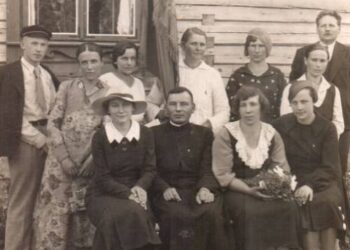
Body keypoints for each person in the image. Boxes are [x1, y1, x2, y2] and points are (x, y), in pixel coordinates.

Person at [32, 42, 106, 250]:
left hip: (89, 166)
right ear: (78, 64)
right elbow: (53, 124)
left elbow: (106, 132)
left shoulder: (108, 93)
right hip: (60, 165)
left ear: (102, 63)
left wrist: (93, 160)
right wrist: (64, 158)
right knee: (55, 214)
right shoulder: (67, 88)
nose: (89, 67)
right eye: (84, 62)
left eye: (94, 61)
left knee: (84, 216)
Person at [212, 86, 300, 250]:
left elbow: (281, 167)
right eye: (243, 105)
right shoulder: (226, 133)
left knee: (288, 206)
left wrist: (273, 185)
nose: (248, 110)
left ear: (261, 107)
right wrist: (248, 190)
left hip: (264, 186)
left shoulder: (271, 133)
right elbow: (222, 174)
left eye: (253, 104)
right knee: (251, 212)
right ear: (237, 109)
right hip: (236, 189)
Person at [0, 25, 59, 250]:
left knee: (45, 198)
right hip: (24, 140)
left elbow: (54, 109)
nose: (38, 49)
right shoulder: (8, 73)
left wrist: (52, 137)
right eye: (34, 43)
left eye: (43, 45)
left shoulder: (47, 75)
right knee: (22, 201)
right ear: (22, 43)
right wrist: (37, 138)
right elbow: (8, 115)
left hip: (48, 137)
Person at [151, 87, 230, 250]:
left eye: (184, 104)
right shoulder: (152, 133)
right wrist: (163, 188)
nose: (178, 109)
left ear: (193, 108)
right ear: (166, 108)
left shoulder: (205, 134)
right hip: (167, 191)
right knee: (175, 215)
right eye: (173, 104)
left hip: (197, 189)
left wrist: (206, 188)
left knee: (211, 213)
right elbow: (149, 168)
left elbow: (208, 166)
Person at [274, 81, 346, 250]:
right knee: (303, 203)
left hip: (323, 179)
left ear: (313, 101)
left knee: (326, 201)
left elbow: (330, 166)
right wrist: (292, 182)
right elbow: (276, 158)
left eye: (304, 102)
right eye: (295, 102)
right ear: (290, 104)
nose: (299, 107)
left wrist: (309, 185)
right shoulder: (281, 125)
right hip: (292, 178)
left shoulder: (327, 128)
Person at [86, 87, 161, 250]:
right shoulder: (100, 136)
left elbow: (150, 169)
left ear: (133, 108)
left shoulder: (146, 133)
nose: (121, 110)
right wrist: (128, 194)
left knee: (137, 212)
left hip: (137, 189)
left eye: (125, 105)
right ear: (108, 110)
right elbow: (102, 176)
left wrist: (140, 187)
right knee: (113, 217)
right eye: (115, 105)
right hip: (103, 192)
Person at [289, 10, 350, 174]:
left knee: (335, 171)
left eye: (331, 25)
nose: (327, 29)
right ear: (317, 28)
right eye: (323, 25)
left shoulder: (348, 53)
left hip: (340, 122)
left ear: (339, 28)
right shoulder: (303, 53)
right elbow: (294, 86)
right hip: (304, 124)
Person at [146, 27, 229, 134]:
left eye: (202, 44)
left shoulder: (213, 75)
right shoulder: (172, 72)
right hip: (172, 133)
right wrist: (161, 114)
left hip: (201, 136)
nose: (198, 48)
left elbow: (223, 112)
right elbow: (150, 103)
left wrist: (205, 127)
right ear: (183, 46)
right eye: (194, 44)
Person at [281, 44, 344, 137]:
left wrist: (327, 138)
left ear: (327, 62)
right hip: (298, 143)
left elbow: (338, 122)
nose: (318, 65)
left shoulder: (333, 90)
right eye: (314, 60)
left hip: (325, 144)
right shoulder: (291, 87)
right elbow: (285, 119)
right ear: (306, 61)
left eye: (322, 61)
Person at [226, 28, 286, 123]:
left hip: (271, 129)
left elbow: (283, 107)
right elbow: (232, 109)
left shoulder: (277, 76)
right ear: (247, 48)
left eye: (261, 46)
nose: (257, 50)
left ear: (267, 48)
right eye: (253, 46)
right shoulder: (237, 76)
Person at [99, 41, 146, 123]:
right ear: (115, 60)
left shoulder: (139, 83)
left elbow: (141, 113)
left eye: (133, 58)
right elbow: (97, 112)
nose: (129, 63)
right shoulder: (104, 80)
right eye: (124, 58)